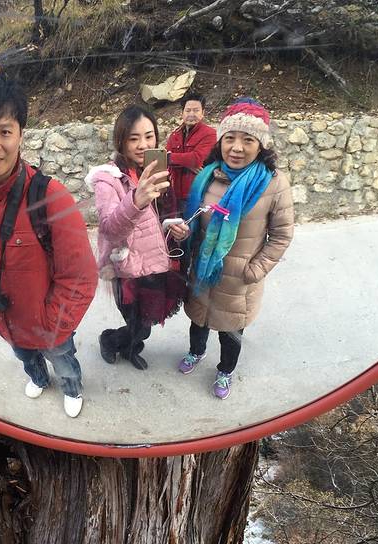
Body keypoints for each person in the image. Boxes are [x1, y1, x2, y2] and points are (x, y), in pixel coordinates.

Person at [0, 73, 98, 418]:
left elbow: (81, 277)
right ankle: (38, 378)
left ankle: (71, 386)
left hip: (49, 328)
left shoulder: (50, 196)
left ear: (21, 133)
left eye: (5, 131)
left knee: (62, 359)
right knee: (25, 358)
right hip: (5, 321)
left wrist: (51, 326)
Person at [179, 97, 294, 399]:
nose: (237, 148)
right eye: (230, 138)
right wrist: (184, 235)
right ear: (220, 141)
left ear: (261, 145)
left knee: (231, 332)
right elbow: (194, 221)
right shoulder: (207, 176)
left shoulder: (273, 183)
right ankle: (196, 352)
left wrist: (254, 270)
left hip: (239, 280)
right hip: (202, 270)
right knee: (198, 319)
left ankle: (225, 371)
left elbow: (282, 235)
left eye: (248, 140)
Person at [85, 105, 189, 370]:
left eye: (149, 136)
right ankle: (110, 340)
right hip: (126, 269)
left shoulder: (157, 171)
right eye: (134, 138)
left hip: (155, 263)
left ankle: (129, 349)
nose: (144, 145)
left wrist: (176, 228)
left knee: (146, 322)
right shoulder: (108, 180)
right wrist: (136, 200)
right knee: (138, 324)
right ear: (121, 141)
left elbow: (161, 217)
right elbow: (109, 228)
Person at [165, 93, 217, 212]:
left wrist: (170, 158)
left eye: (196, 110)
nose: (191, 114)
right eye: (188, 110)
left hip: (198, 194)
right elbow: (164, 159)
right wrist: (186, 163)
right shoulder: (175, 135)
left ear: (203, 113)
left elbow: (196, 158)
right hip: (175, 193)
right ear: (182, 113)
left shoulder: (210, 134)